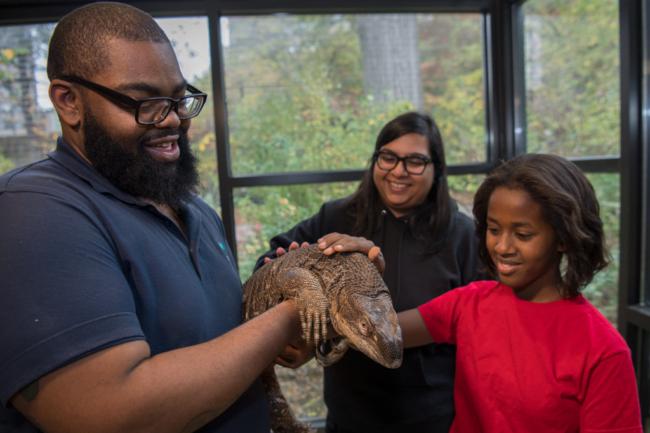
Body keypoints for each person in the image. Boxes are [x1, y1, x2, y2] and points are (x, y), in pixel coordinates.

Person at [0, 3, 304, 433]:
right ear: (69, 101)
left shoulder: (196, 212)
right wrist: (290, 317)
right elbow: (109, 412)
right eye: (145, 102)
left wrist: (306, 288)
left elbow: (220, 341)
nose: (173, 119)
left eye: (179, 99)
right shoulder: (34, 210)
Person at [257, 112, 482, 433]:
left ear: (437, 170)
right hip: (349, 417)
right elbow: (268, 267)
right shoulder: (336, 218)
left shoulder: (462, 235)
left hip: (433, 419)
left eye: (415, 161)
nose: (398, 171)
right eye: (388, 157)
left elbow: (481, 324)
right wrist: (302, 329)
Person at [395, 153, 642, 432]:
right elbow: (377, 334)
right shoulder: (469, 303)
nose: (502, 247)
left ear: (563, 237)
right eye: (494, 229)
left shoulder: (604, 351)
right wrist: (359, 267)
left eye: (523, 235)